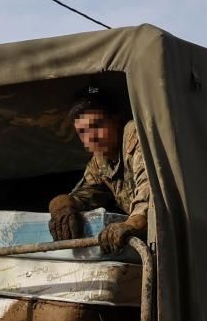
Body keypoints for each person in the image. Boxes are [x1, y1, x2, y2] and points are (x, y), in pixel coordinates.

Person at [48, 91, 151, 254]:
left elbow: (150, 188)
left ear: (116, 121)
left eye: (96, 126)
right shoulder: (100, 161)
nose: (91, 138)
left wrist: (133, 223)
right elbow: (84, 195)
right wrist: (62, 206)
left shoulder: (133, 134)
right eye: (83, 132)